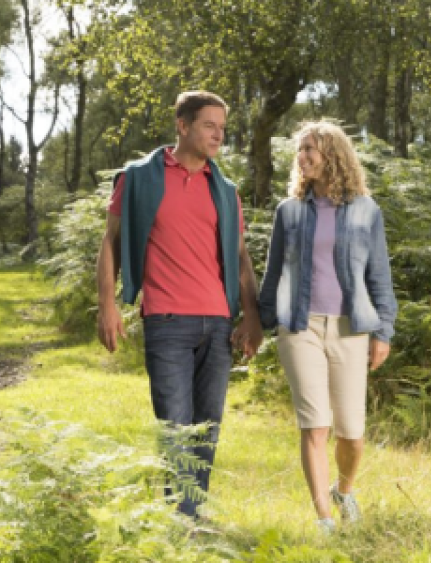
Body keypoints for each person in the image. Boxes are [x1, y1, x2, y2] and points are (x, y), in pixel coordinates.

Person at [95, 91, 265, 524]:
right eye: (210, 126)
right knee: (175, 425)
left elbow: (241, 256)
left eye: (223, 129)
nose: (218, 135)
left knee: (207, 428)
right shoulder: (138, 179)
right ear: (183, 125)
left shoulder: (225, 190)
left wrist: (251, 317)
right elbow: (110, 245)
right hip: (166, 321)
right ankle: (183, 520)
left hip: (219, 324)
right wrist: (108, 306)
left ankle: (191, 512)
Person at [256, 120, 397, 534]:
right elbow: (273, 272)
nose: (302, 158)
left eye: (310, 150)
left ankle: (344, 489)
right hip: (299, 327)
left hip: (351, 329)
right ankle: (324, 521)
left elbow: (380, 276)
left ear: (333, 155)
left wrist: (383, 331)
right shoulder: (290, 211)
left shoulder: (366, 211)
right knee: (314, 425)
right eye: (300, 150)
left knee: (352, 433)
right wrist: (259, 323)